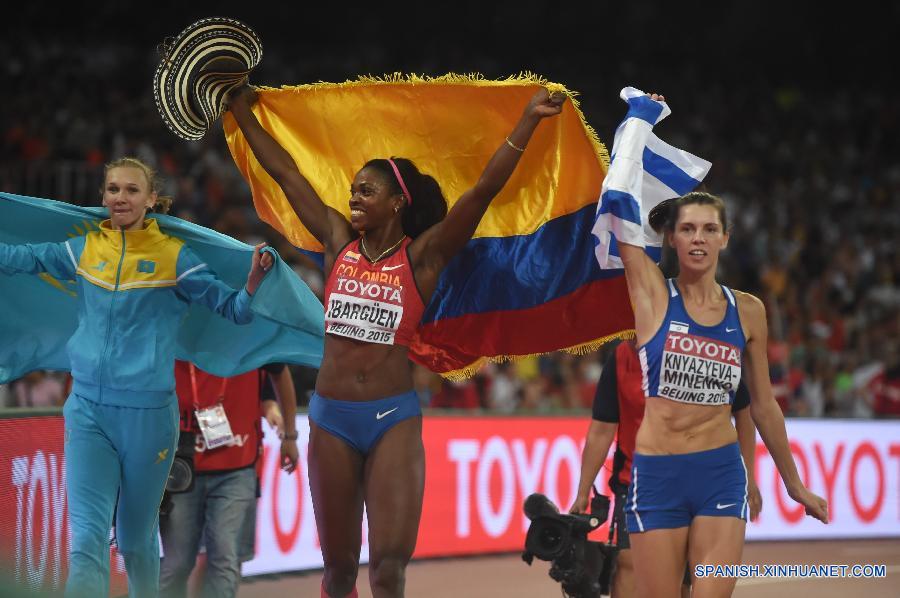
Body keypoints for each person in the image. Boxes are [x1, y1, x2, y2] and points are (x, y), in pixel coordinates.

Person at [227, 85, 565, 597]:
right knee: (339, 572)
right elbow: (286, 173)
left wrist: (528, 122)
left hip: (392, 420)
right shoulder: (337, 240)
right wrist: (240, 110)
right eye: (353, 190)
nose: (353, 198)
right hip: (331, 417)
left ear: (397, 202)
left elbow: (481, 193)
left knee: (388, 570)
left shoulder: (424, 257)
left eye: (366, 191)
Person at [0, 156, 272, 598]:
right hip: (87, 411)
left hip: (147, 418)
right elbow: (21, 259)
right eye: (113, 189)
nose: (120, 198)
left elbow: (233, 310)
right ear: (103, 196)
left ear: (151, 199)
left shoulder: (174, 257)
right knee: (86, 540)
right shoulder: (84, 248)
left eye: (131, 190)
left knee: (134, 538)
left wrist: (254, 283)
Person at [615, 97, 828, 597]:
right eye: (687, 229)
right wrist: (638, 121)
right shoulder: (651, 295)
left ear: (725, 239)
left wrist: (794, 484)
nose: (698, 239)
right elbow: (619, 206)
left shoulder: (748, 310)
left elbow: (764, 404)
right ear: (670, 239)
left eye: (710, 229)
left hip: (720, 473)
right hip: (658, 472)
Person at [570, 340, 762, 597]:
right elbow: (601, 431)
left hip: (698, 481)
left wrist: (749, 476)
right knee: (629, 564)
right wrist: (583, 492)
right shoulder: (621, 359)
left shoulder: (699, 348)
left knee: (682, 580)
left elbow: (743, 412)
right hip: (636, 481)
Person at [159, 361, 299, 598]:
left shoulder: (253, 341)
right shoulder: (171, 340)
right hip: (181, 469)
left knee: (224, 558)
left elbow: (279, 372)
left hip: (237, 468)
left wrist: (290, 435)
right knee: (177, 564)